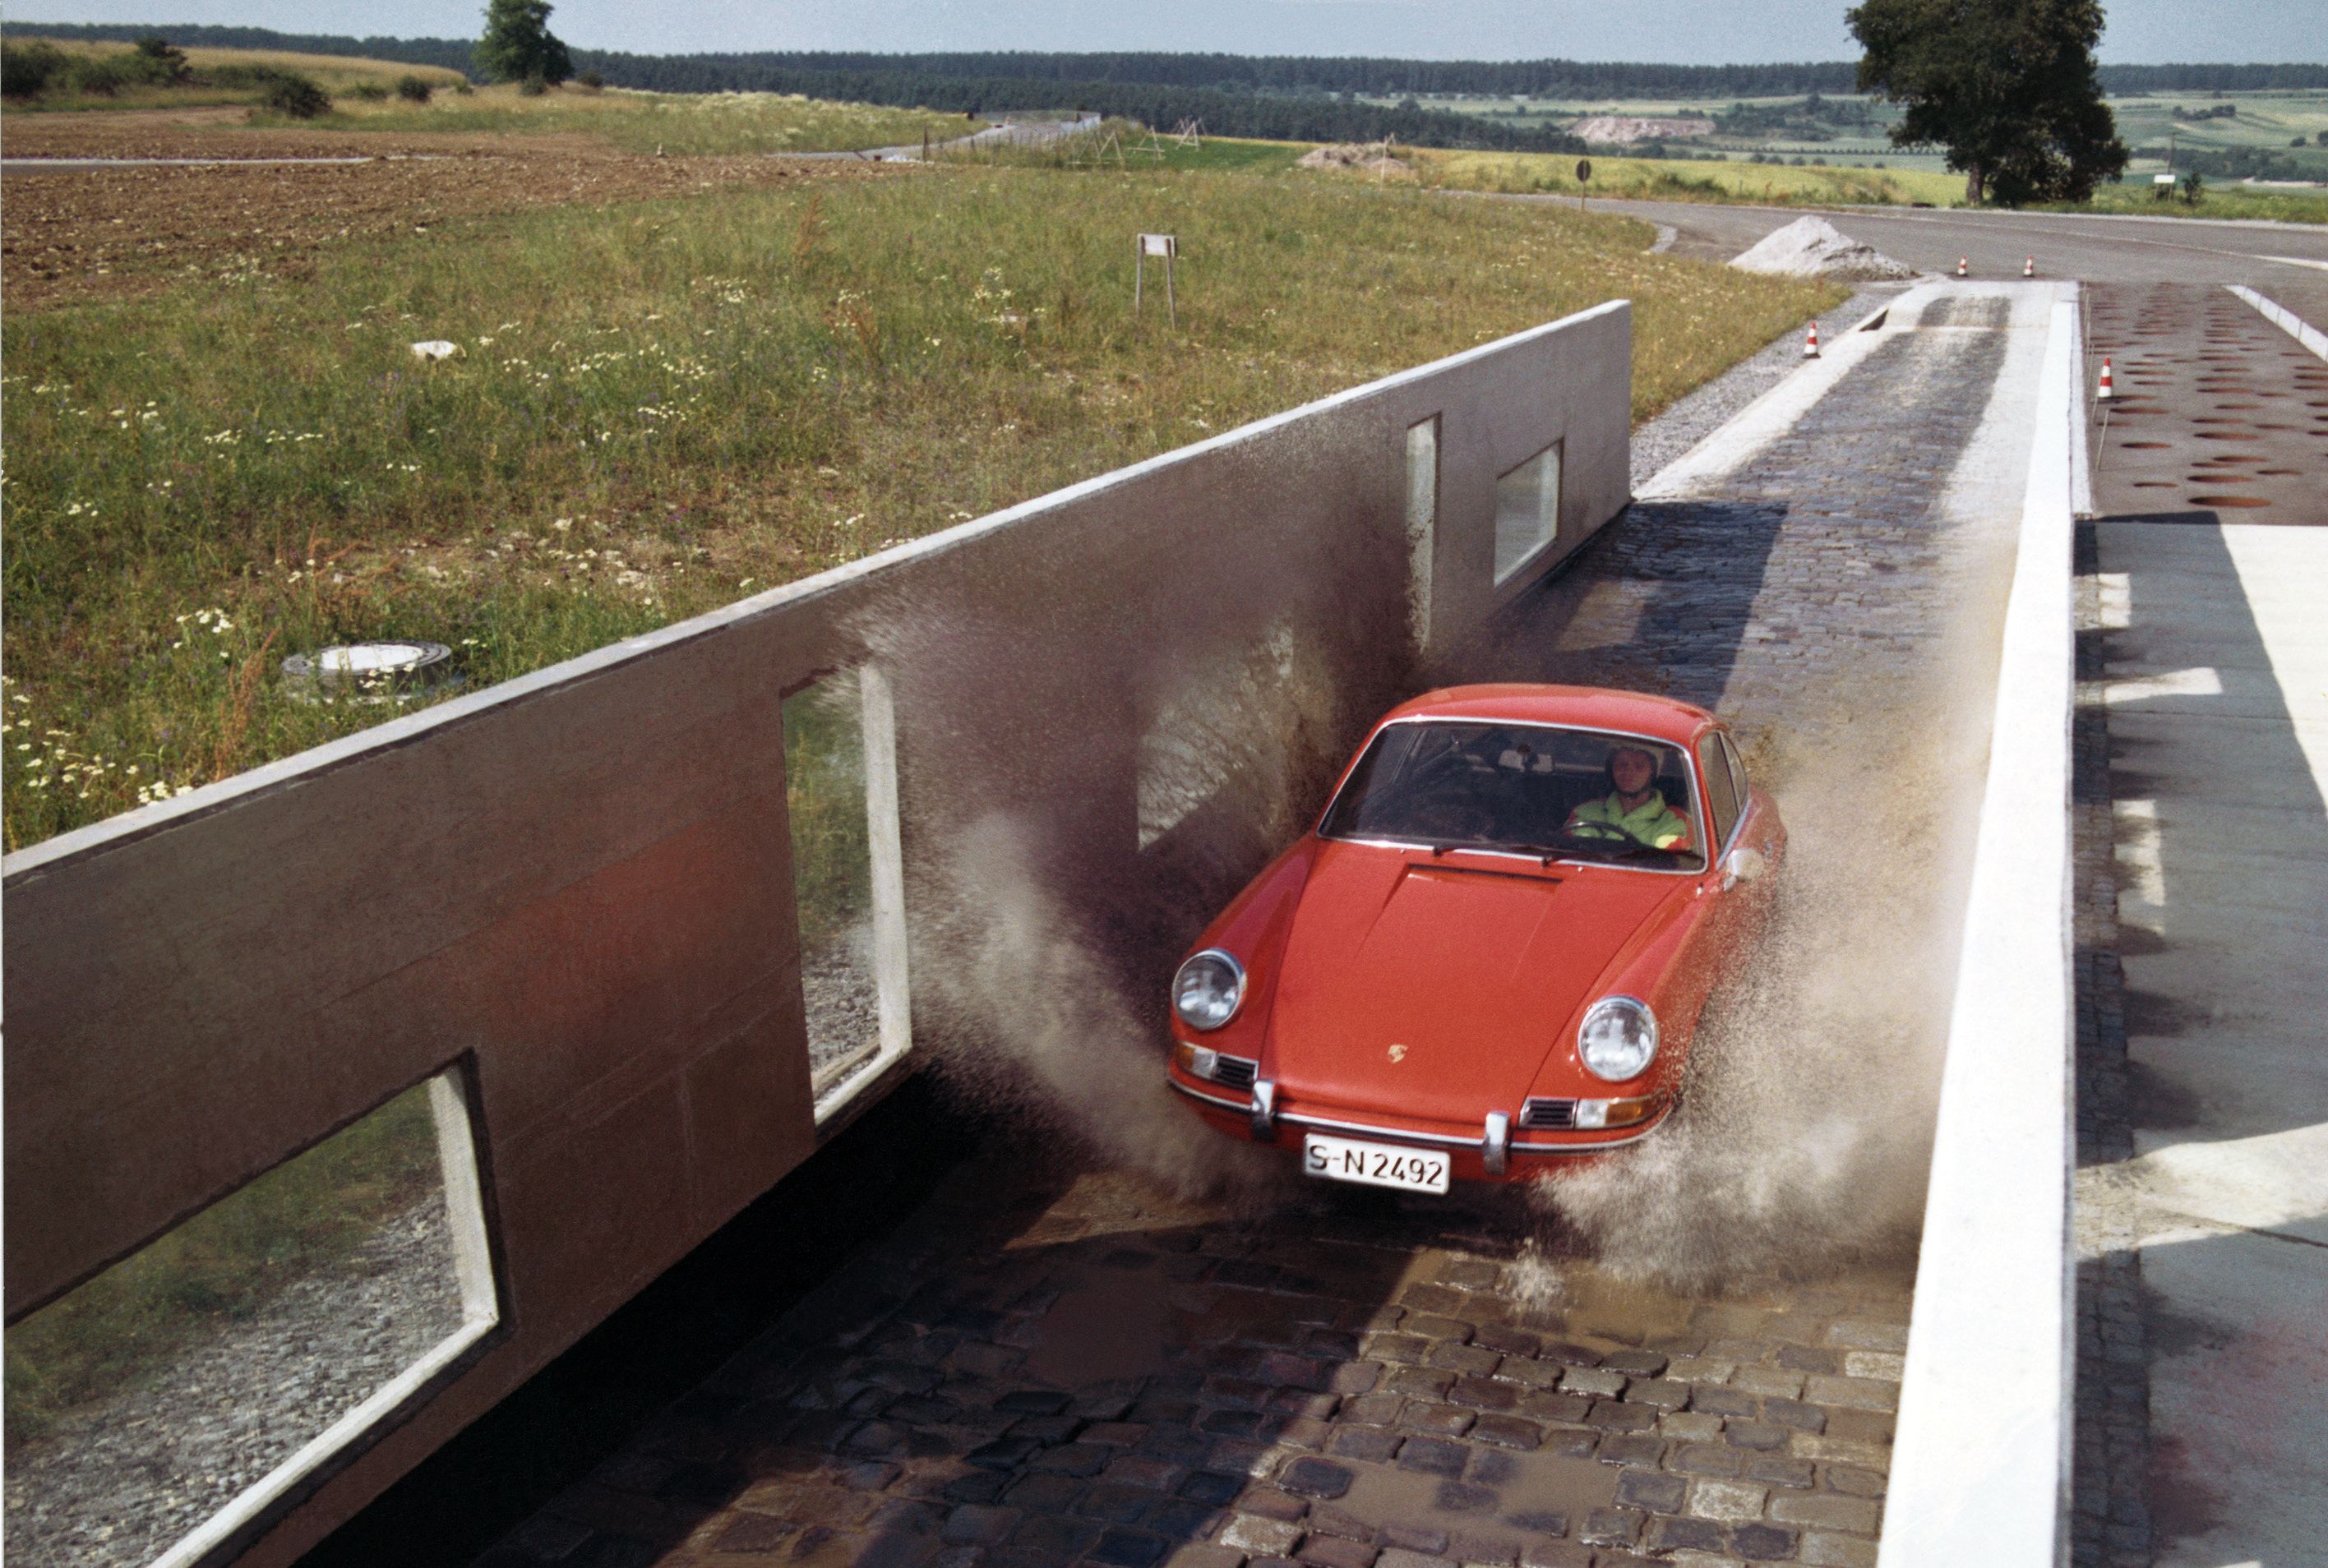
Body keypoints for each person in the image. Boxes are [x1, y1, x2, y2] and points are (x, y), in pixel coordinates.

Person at [1565, 745, 1692, 850]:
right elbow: (1574, 852)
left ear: (1652, 772)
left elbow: (1671, 860)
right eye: (1622, 764)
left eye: (1640, 766)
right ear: (1612, 769)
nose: (1629, 772)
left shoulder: (1674, 820)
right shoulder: (1587, 811)